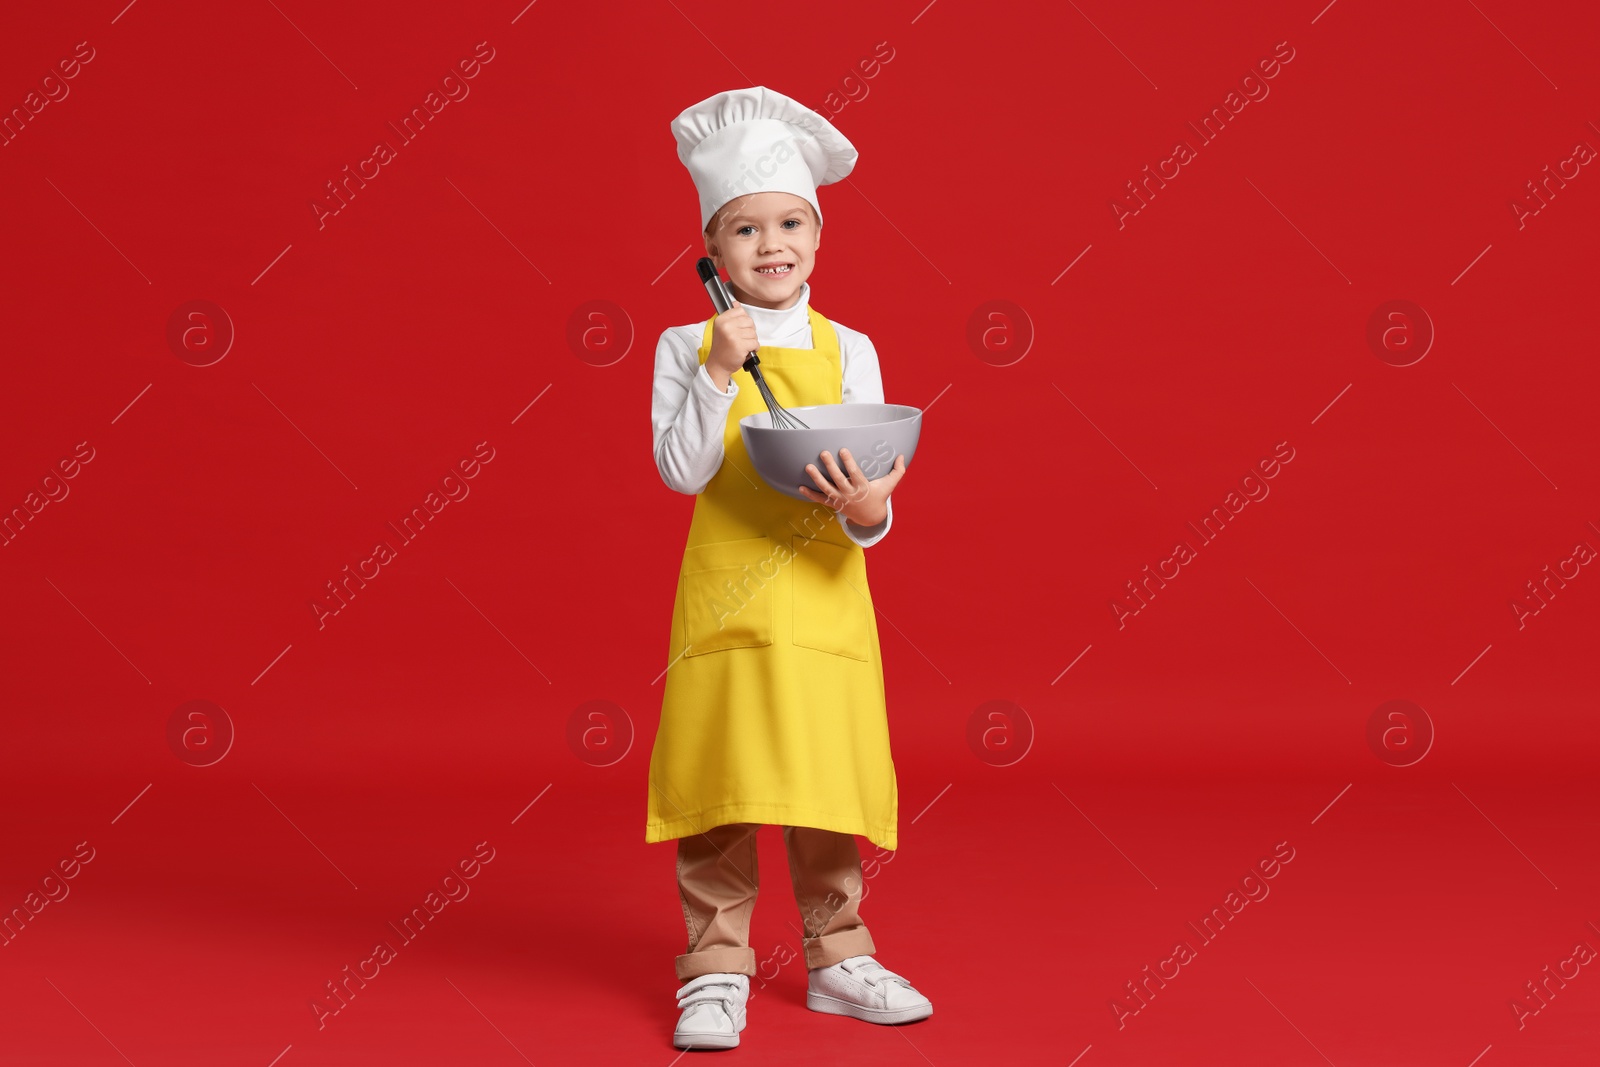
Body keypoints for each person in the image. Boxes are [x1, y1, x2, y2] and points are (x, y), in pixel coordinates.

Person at [646, 86, 931, 1050]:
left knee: (822, 777)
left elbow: (874, 494)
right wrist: (718, 372)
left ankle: (839, 957)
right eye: (745, 229)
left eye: (790, 223)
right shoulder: (686, 345)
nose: (772, 244)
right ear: (715, 253)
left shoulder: (852, 349)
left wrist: (866, 509)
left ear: (817, 234)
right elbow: (683, 471)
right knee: (721, 786)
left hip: (822, 598)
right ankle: (716, 969)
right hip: (728, 594)